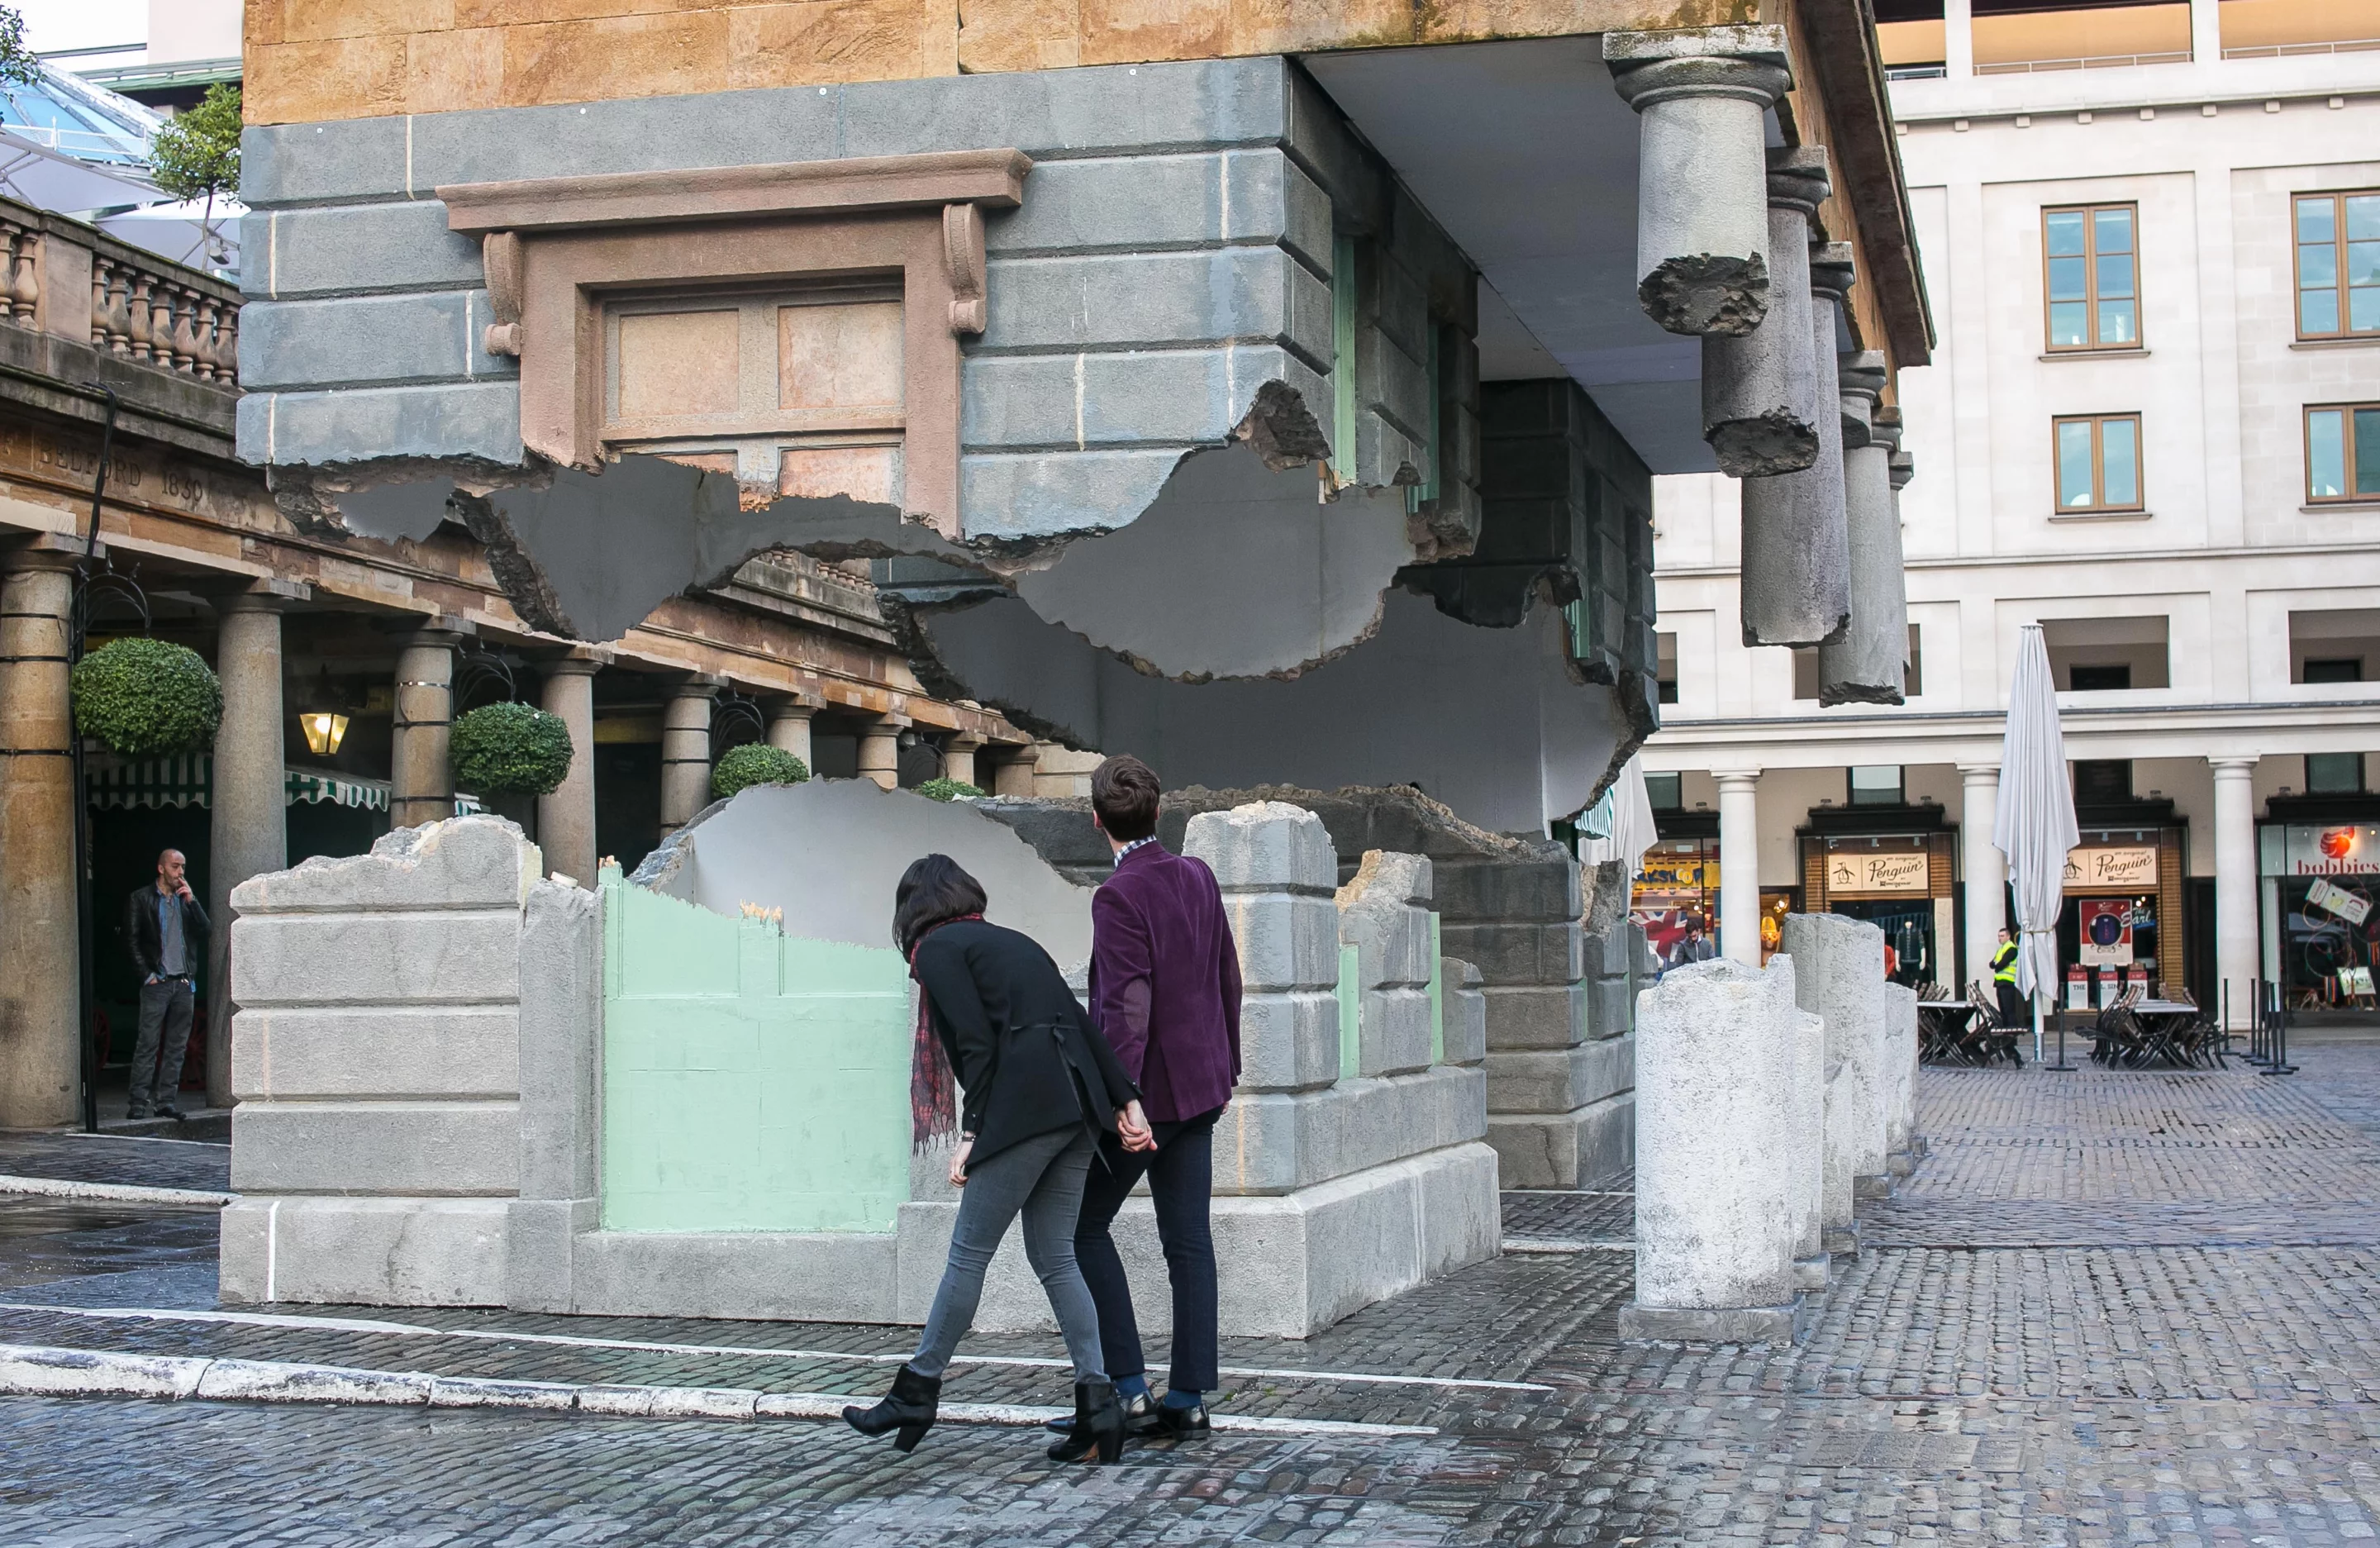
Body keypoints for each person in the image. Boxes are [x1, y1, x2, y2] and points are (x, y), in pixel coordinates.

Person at [842, 854, 1152, 1463]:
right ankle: (1100, 1406)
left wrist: (973, 1131)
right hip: (1078, 1108)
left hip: (1028, 1108)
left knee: (968, 1253)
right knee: (1056, 1255)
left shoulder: (938, 949)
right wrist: (1126, 1099)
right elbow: (1082, 1024)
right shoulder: (1014, 943)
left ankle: (916, 1391)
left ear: (911, 910)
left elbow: (977, 1045)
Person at [1059, 754, 1241, 1443]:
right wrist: (1228, 1064)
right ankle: (1187, 1399)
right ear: (1159, 811)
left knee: (1081, 1227)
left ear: (1096, 819)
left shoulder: (1118, 895)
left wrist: (1123, 1098)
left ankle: (1131, 1390)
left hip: (1151, 1097)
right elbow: (1227, 974)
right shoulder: (1198, 874)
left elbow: (1126, 1007)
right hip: (1203, 1087)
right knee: (1189, 1241)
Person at [123, 848, 208, 1121]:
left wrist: (193, 902)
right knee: (147, 1044)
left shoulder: (185, 900)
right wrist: (146, 975)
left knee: (177, 1047)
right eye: (175, 866)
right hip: (157, 982)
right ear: (161, 868)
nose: (180, 872)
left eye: (183, 867)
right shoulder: (141, 898)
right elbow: (131, 940)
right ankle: (138, 1102)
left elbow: (206, 930)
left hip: (183, 983)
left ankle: (166, 1102)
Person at [1992, 927, 2024, 1030]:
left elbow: (2001, 964)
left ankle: (2011, 1031)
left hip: (2008, 982)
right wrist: (1996, 965)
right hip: (1999, 983)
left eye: (2002, 936)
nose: (2000, 938)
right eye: (1999, 936)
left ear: (2008, 937)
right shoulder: (2001, 949)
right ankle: (2006, 1030)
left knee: (2009, 1009)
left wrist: (1997, 965)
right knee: (2003, 1010)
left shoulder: (2011, 948)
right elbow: (1992, 964)